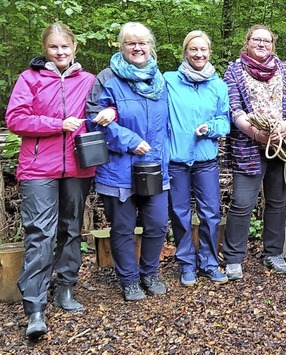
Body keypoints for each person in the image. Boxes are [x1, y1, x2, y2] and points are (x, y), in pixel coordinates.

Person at [6, 23, 96, 339]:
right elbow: (15, 119)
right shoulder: (30, 79)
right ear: (46, 49)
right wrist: (56, 124)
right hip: (37, 169)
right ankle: (35, 306)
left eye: (65, 47)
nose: (60, 52)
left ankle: (66, 288)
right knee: (40, 233)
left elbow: (106, 105)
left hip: (77, 167)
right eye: (53, 47)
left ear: (74, 48)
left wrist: (109, 111)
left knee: (71, 228)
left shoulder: (88, 80)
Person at [86, 22, 170, 301]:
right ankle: (129, 280)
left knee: (157, 224)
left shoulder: (160, 80)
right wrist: (130, 141)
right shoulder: (107, 78)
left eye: (143, 43)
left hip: (155, 166)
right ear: (121, 46)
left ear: (151, 47)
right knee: (122, 228)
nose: (137, 48)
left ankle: (149, 273)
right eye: (130, 43)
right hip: (118, 169)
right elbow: (93, 121)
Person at [222, 24, 286, 280]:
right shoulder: (234, 71)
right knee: (242, 203)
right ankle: (234, 258)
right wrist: (257, 134)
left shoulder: (283, 68)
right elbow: (233, 108)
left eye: (267, 41)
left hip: (281, 145)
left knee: (277, 201)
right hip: (247, 146)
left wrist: (284, 128)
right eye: (257, 40)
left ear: (273, 45)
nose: (262, 44)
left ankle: (273, 253)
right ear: (247, 42)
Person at [164, 30, 230, 286]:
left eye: (203, 50)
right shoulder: (169, 81)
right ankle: (187, 265)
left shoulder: (218, 85)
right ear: (185, 52)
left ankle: (209, 264)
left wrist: (210, 128)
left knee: (211, 214)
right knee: (179, 214)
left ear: (209, 52)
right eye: (193, 49)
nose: (199, 54)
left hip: (205, 160)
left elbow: (224, 121)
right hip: (176, 160)